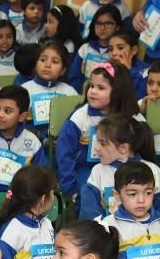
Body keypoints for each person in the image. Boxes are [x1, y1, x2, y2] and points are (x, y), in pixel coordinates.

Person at [56, 61, 136, 200]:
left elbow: (139, 149)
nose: (92, 91)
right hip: (86, 169)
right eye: (91, 86)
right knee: (88, 194)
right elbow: (64, 152)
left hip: (122, 168)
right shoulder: (80, 116)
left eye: (101, 87)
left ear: (118, 91)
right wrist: (70, 188)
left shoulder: (131, 118)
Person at [78, 113, 160, 224]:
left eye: (102, 143)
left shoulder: (153, 171)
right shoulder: (98, 172)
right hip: (108, 238)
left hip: (147, 238)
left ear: (123, 148)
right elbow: (90, 215)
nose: (96, 148)